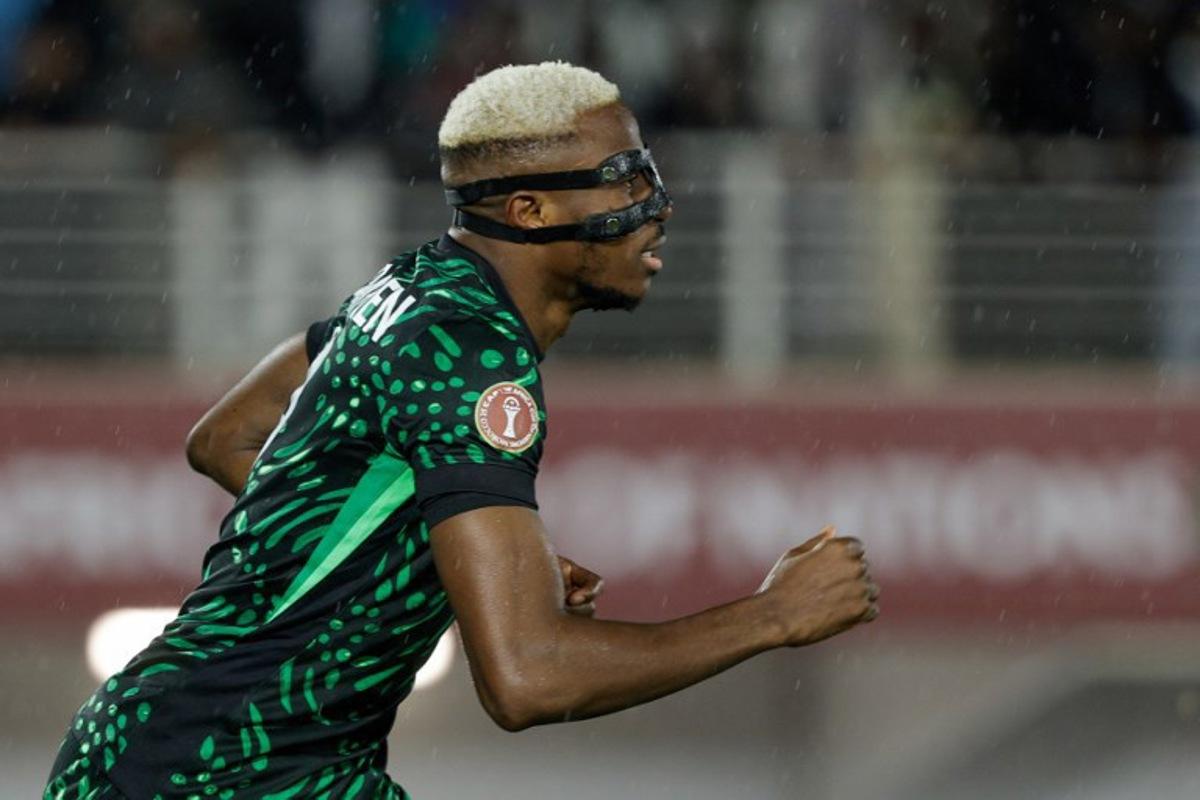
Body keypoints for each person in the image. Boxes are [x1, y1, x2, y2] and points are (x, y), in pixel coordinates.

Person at [44, 62, 878, 800]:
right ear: (530, 208)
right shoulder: (479, 360)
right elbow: (527, 680)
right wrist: (773, 616)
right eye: (624, 179)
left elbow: (225, 437)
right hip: (232, 774)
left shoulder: (413, 284)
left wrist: (449, 551)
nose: (655, 207)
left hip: (156, 746)